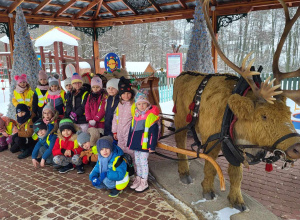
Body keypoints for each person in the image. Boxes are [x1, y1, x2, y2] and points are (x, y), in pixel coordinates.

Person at [127, 89, 160, 192]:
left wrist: (151, 146)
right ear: (136, 105)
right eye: (139, 104)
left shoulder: (150, 116)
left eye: (144, 104)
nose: (141, 106)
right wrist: (129, 143)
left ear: (147, 104)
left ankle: (144, 181)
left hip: (144, 145)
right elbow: (131, 131)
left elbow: (153, 133)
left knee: (143, 162)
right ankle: (139, 178)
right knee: (137, 162)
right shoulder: (136, 116)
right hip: (136, 144)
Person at [112, 77, 135, 158]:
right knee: (121, 150)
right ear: (120, 94)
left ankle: (133, 167)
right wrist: (115, 131)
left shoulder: (133, 105)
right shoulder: (119, 105)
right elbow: (115, 118)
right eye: (124, 93)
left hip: (129, 132)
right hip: (120, 131)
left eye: (128, 93)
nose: (126, 96)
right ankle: (124, 167)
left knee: (131, 149)